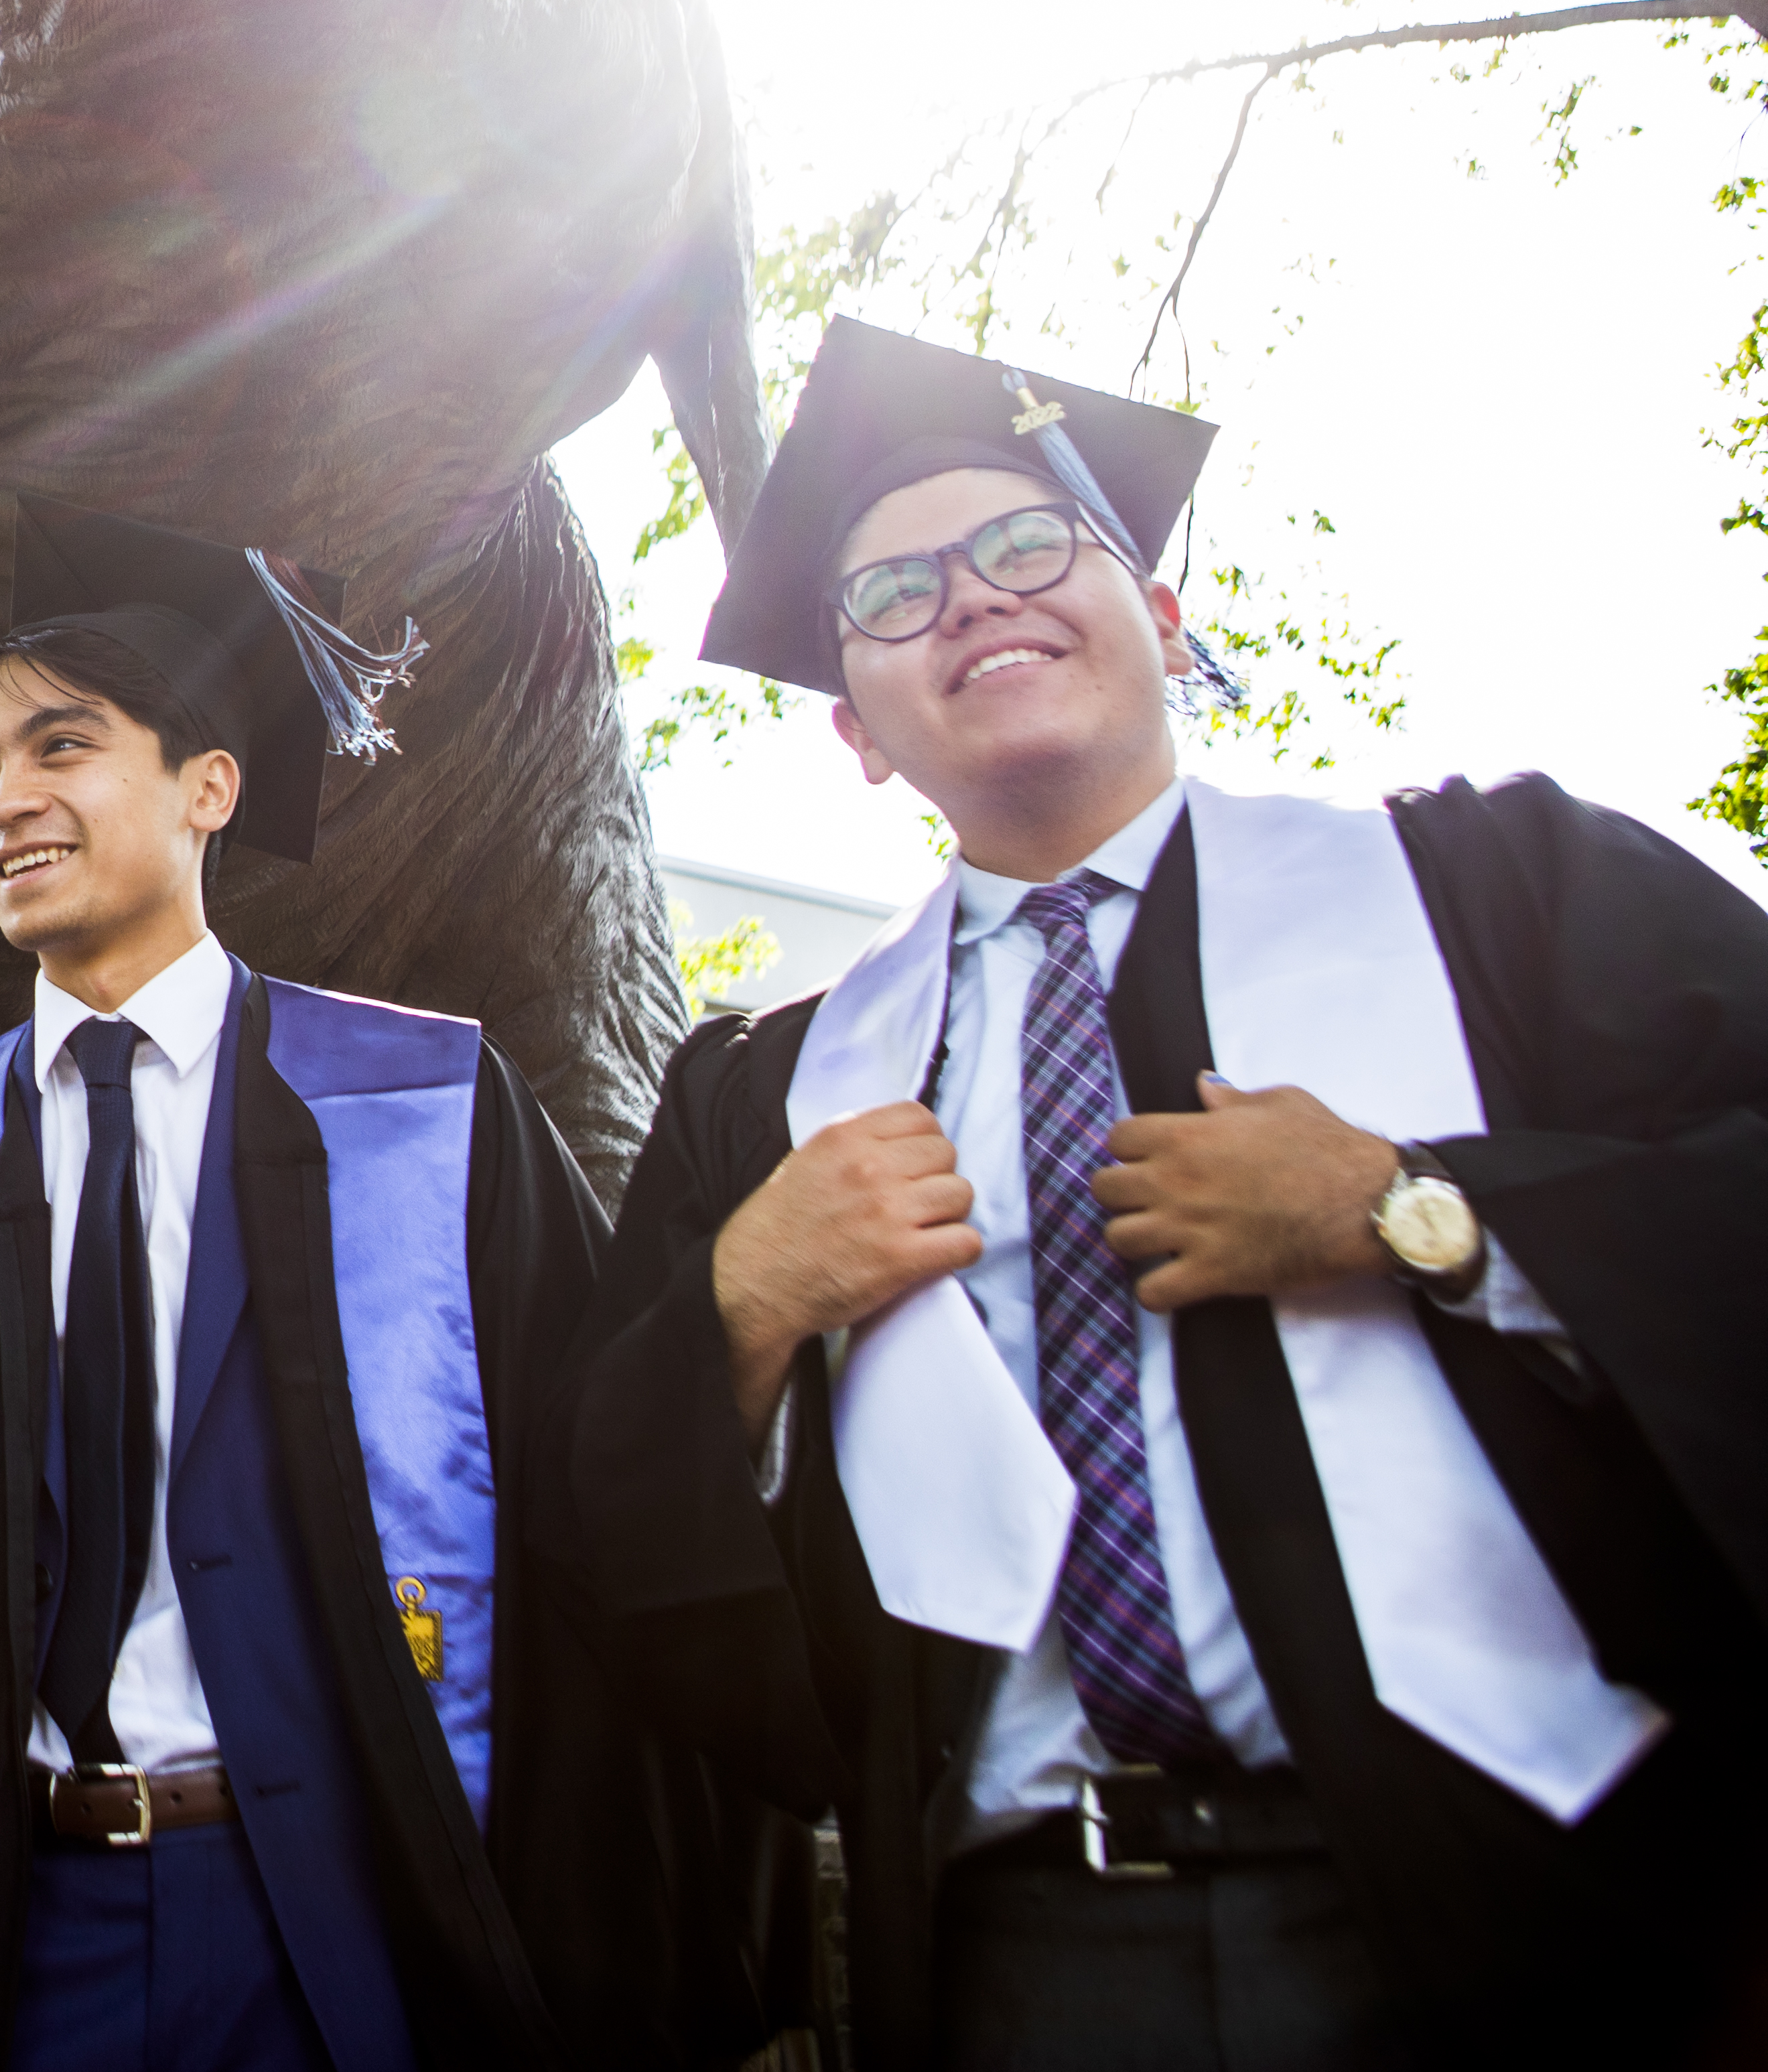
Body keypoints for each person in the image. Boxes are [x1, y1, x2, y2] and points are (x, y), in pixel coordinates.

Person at [560, 316, 1768, 2069]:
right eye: (894, 593)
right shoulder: (768, 1097)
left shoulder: (1500, 892)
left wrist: (1420, 1209)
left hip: (1532, 1888)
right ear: (860, 740)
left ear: (1169, 624)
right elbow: (606, 1522)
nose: (969, 600)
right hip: (1030, 1948)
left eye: (1029, 545)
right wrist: (742, 1305)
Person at [0, 498, 770, 2072]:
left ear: (208, 787)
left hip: (334, 1918)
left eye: (61, 746)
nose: (5, 798)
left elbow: (596, 1511)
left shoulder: (425, 1106)